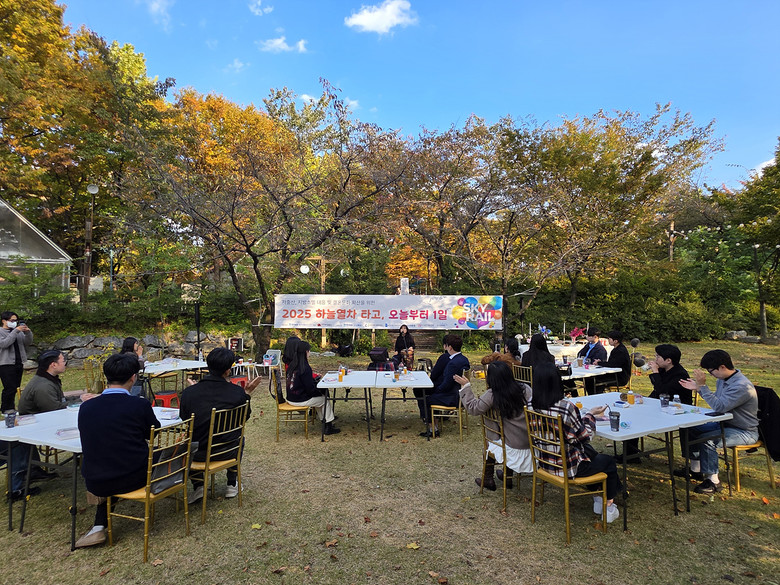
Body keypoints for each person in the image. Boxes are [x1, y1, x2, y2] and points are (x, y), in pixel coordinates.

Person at [76, 353, 161, 548]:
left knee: (114, 458)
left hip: (95, 480)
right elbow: (152, 433)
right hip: (132, 476)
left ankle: (99, 526)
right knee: (172, 452)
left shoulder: (87, 407)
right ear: (133, 377)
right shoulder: (139, 404)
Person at [528, 361, 622, 523]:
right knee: (608, 462)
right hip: (569, 467)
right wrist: (590, 415)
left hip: (545, 462)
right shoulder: (565, 407)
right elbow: (585, 437)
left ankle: (598, 498)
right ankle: (609, 506)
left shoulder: (530, 404)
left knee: (593, 455)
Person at [180, 347, 262, 503]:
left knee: (187, 441)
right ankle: (232, 483)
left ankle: (198, 485)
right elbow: (243, 418)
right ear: (227, 370)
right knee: (240, 438)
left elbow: (184, 418)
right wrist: (246, 395)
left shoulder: (189, 393)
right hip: (227, 451)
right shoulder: (237, 393)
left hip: (197, 453)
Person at [678, 350, 759, 494]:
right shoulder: (722, 380)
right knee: (689, 427)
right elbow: (718, 400)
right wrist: (698, 388)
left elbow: (720, 407)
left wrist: (702, 387)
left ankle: (713, 481)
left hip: (744, 430)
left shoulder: (741, 386)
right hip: (724, 423)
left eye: (711, 371)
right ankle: (696, 469)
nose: (711, 375)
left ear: (722, 367)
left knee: (707, 440)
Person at [455, 361, 532, 491]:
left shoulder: (493, 394)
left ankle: (488, 478)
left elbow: (473, 408)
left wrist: (466, 386)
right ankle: (507, 476)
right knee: (502, 434)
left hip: (511, 445)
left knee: (493, 438)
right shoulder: (525, 388)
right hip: (531, 442)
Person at [414, 334, 470, 437]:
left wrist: (436, 390)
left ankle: (432, 428)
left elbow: (446, 385)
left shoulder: (453, 363)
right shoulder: (464, 359)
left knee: (426, 398)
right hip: (459, 394)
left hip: (451, 397)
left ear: (450, 347)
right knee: (428, 394)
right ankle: (434, 423)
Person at [286, 340, 340, 435]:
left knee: (319, 400)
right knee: (324, 400)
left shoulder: (292, 365)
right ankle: (328, 426)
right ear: (305, 352)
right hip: (300, 399)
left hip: (290, 398)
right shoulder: (305, 368)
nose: (309, 353)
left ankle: (325, 421)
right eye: (308, 351)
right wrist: (319, 391)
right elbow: (310, 389)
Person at [0, 310, 33, 412]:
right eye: (12, 320)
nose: (14, 323)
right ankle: (6, 408)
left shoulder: (18, 332)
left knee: (16, 387)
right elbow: (4, 344)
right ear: (4, 321)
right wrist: (15, 331)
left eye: (16, 321)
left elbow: (27, 342)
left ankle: (12, 407)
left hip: (19, 362)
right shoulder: (1, 331)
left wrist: (28, 332)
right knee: (9, 387)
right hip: (5, 363)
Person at [590, 330, 631, 394]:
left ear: (615, 341)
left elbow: (613, 364)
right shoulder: (616, 349)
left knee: (596, 381)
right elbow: (612, 363)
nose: (608, 340)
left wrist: (599, 363)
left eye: (609, 339)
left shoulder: (620, 351)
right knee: (590, 379)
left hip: (620, 378)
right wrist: (601, 362)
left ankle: (597, 396)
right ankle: (592, 395)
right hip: (614, 375)